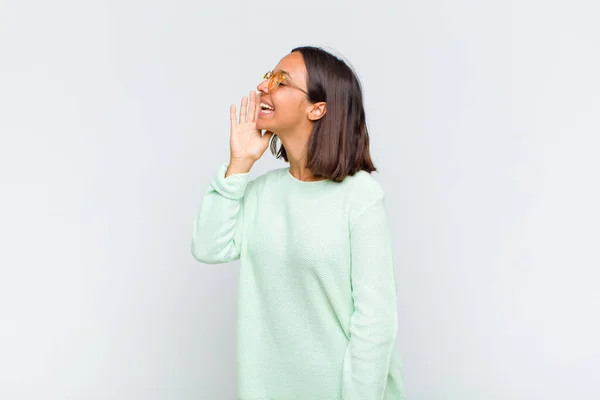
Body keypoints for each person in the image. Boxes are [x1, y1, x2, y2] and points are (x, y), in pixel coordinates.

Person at [191, 46, 405, 400]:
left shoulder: (360, 197)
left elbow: (376, 323)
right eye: (268, 77)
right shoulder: (260, 192)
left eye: (282, 82)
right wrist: (239, 164)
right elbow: (208, 246)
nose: (264, 87)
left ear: (317, 108)